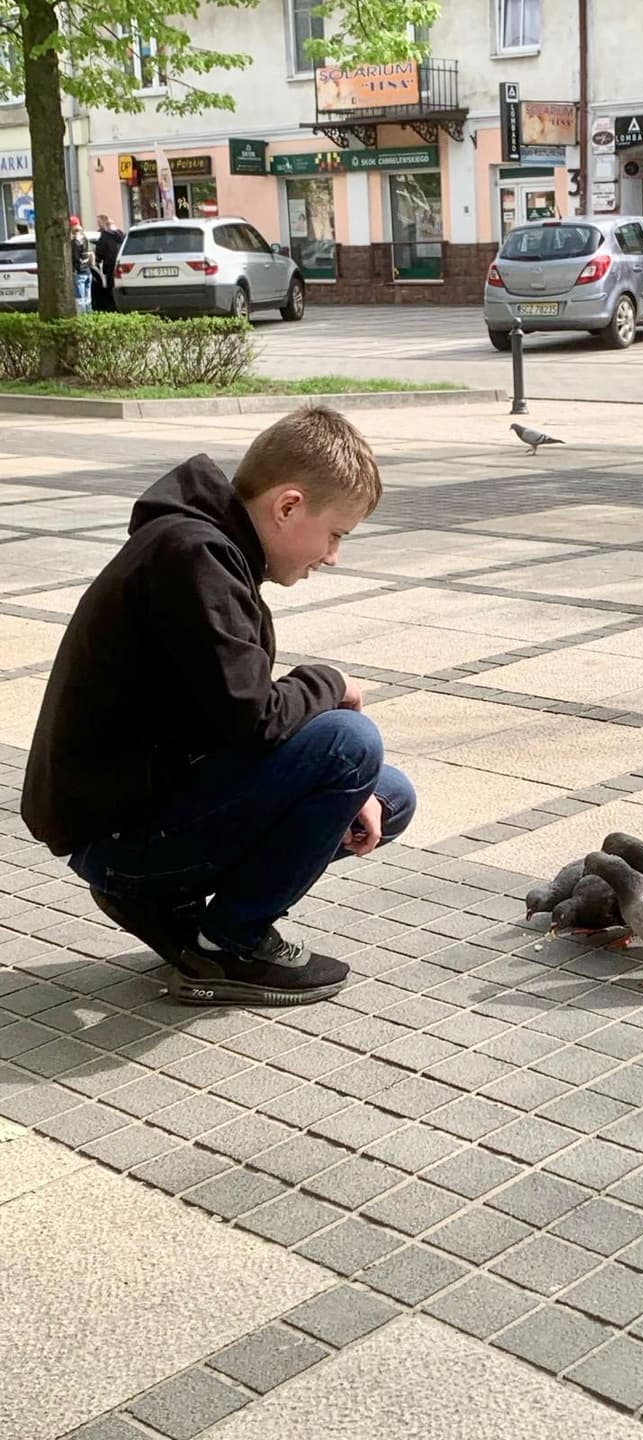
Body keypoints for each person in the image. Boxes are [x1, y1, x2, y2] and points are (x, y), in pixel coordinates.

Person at [21, 407, 416, 1008]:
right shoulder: (192, 557)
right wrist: (329, 683)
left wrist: (346, 782)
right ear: (287, 507)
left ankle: (175, 908)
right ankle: (229, 945)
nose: (334, 555)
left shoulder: (207, 550)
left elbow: (222, 714)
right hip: (117, 836)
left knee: (388, 795)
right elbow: (252, 718)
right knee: (349, 741)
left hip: (143, 807)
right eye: (336, 534)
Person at [93, 212, 125, 311]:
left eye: (99, 222)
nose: (98, 225)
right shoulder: (122, 235)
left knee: (111, 288)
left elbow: (100, 252)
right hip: (121, 265)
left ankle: (113, 308)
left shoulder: (105, 236)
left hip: (110, 266)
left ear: (104, 223)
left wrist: (97, 259)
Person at [70, 216, 92, 313]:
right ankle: (89, 315)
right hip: (87, 271)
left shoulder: (75, 242)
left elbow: (75, 258)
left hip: (79, 272)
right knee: (87, 298)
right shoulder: (86, 238)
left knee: (79, 299)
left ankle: (81, 318)